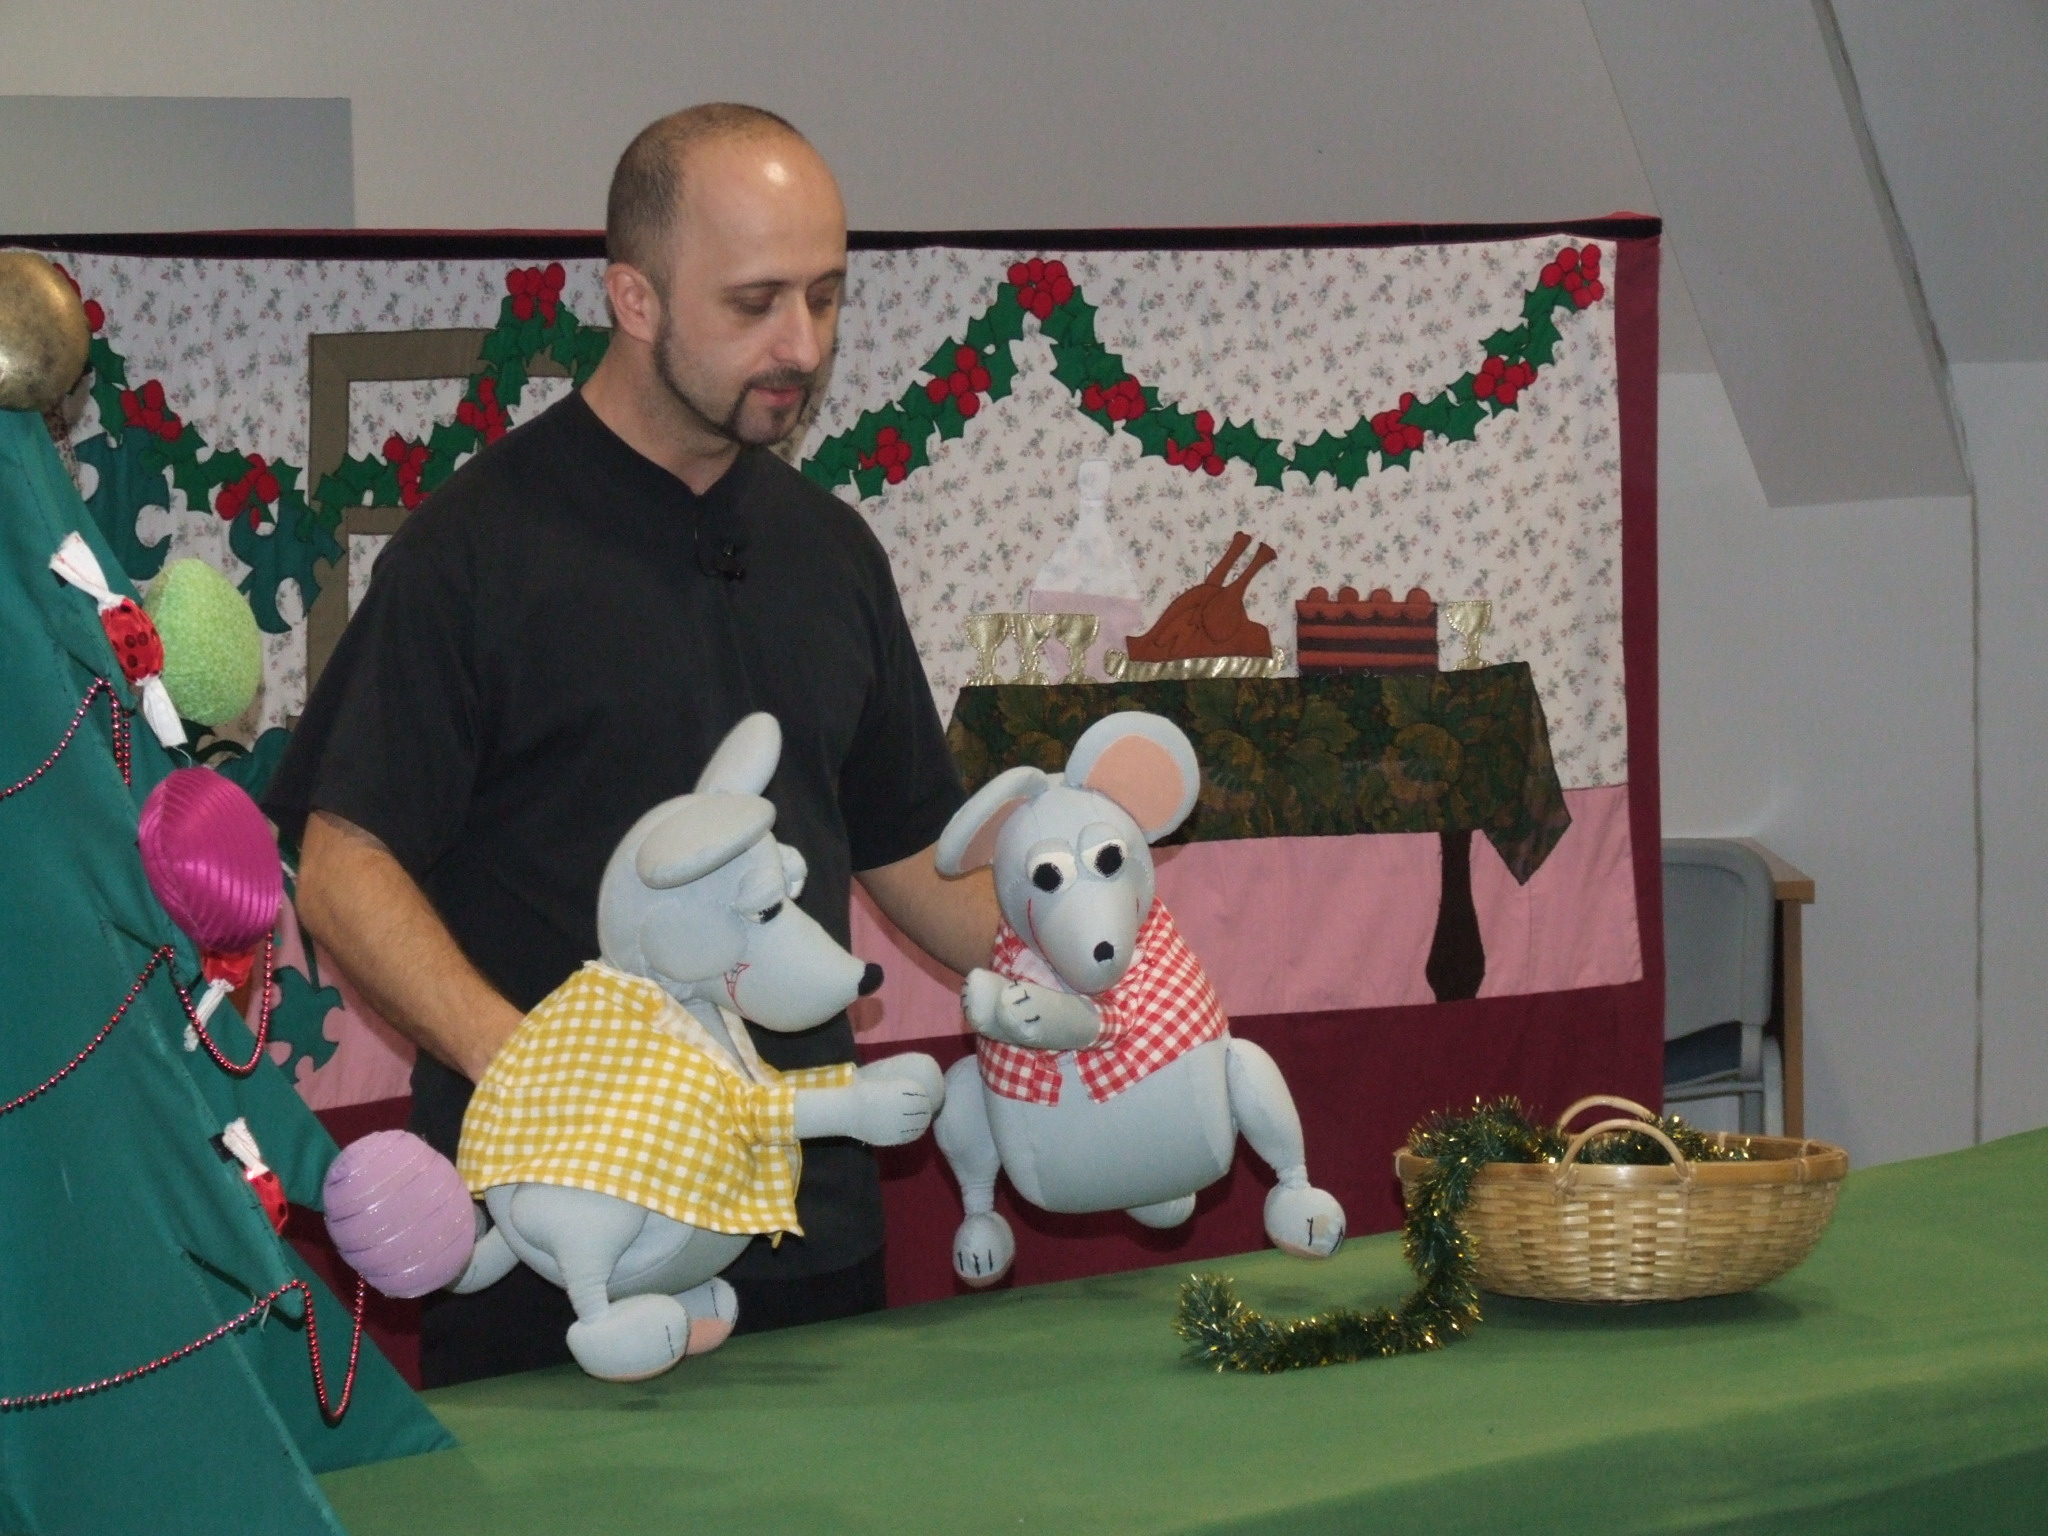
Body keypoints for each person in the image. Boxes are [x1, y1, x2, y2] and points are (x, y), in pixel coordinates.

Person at [267, 103, 998, 1386]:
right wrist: (536, 1075)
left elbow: (908, 848)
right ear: (634, 298)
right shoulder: (475, 551)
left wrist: (1099, 951)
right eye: (755, 302)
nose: (801, 344)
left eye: (825, 296)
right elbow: (341, 862)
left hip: (807, 1234)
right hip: (562, 1260)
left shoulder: (832, 552)